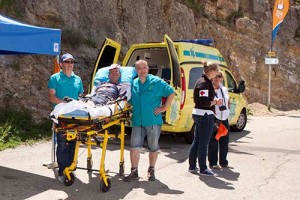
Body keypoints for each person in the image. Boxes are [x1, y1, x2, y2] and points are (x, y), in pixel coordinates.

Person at [124, 60, 175, 182]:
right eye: (139, 68)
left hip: (152, 121)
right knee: (134, 147)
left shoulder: (156, 81)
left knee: (153, 147)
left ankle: (151, 170)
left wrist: (164, 107)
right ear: (136, 70)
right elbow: (129, 100)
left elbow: (171, 93)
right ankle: (134, 171)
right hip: (137, 121)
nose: (142, 70)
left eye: (144, 67)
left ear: (148, 68)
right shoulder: (134, 83)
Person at [48, 53, 84, 182]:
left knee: (73, 142)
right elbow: (51, 96)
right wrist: (65, 105)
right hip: (61, 116)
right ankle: (63, 171)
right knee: (62, 143)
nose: (69, 64)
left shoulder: (78, 79)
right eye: (67, 62)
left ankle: (70, 167)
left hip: (76, 117)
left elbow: (81, 96)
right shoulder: (55, 78)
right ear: (61, 64)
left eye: (71, 62)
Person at [188, 61, 222, 177]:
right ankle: (203, 168)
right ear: (211, 71)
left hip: (200, 114)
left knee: (197, 141)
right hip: (204, 115)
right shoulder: (204, 83)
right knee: (203, 142)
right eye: (217, 71)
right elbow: (204, 102)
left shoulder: (203, 81)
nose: (217, 73)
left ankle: (192, 166)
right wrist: (215, 102)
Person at [208, 71, 231, 169]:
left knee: (224, 141)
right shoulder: (209, 89)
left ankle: (223, 162)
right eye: (215, 77)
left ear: (221, 78)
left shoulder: (224, 89)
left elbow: (228, 100)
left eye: (219, 76)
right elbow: (206, 103)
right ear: (212, 78)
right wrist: (214, 102)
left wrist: (228, 111)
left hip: (224, 117)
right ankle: (213, 163)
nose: (217, 78)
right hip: (214, 117)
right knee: (213, 141)